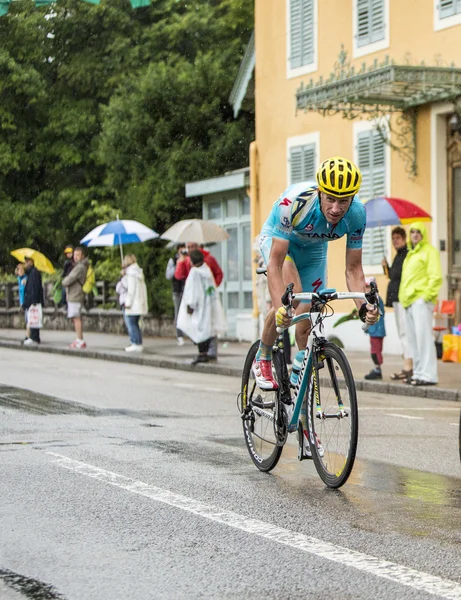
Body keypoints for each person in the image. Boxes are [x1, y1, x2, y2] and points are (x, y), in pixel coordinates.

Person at [253, 156, 379, 457]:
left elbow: (353, 270)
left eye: (344, 201)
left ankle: (304, 417)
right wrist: (279, 305)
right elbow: (275, 261)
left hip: (313, 250)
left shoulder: (357, 215)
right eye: (331, 199)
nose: (337, 208)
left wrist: (363, 306)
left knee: (309, 319)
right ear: (320, 192)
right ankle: (263, 355)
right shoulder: (293, 204)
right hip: (279, 243)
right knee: (292, 299)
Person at [399, 222, 443, 386]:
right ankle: (418, 373)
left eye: (418, 232)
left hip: (420, 301)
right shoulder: (411, 253)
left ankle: (429, 375)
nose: (415, 234)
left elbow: (435, 276)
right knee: (413, 340)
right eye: (412, 232)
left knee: (424, 338)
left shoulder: (429, 251)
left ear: (423, 234)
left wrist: (425, 296)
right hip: (408, 301)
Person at [175, 241, 224, 360]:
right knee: (208, 326)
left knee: (200, 327)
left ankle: (204, 352)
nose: (190, 249)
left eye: (192, 246)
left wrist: (190, 304)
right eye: (189, 246)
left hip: (199, 304)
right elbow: (179, 275)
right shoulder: (205, 269)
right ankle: (209, 352)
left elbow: (192, 290)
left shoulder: (195, 272)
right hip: (207, 302)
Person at [382, 227, 413, 381]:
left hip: (402, 298)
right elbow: (392, 276)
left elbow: (402, 276)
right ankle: (406, 365)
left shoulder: (406, 254)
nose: (395, 241)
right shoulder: (398, 255)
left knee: (405, 333)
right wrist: (385, 267)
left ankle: (408, 367)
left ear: (404, 238)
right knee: (402, 332)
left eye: (397, 238)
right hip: (396, 298)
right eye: (393, 238)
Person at [62, 246, 89, 350]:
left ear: (82, 256)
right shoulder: (79, 266)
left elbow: (69, 279)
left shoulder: (80, 267)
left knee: (76, 318)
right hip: (75, 293)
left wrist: (64, 281)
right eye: (74, 255)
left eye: (78, 255)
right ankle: (79, 339)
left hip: (75, 294)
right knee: (75, 317)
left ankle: (80, 340)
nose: (75, 257)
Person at [123, 254, 149, 353]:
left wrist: (128, 303)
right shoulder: (137, 272)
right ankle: (138, 342)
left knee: (131, 323)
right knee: (135, 323)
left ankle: (135, 342)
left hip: (134, 303)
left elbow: (131, 289)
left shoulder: (131, 274)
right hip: (140, 302)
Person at [364, 277, 386, 380]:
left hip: (377, 331)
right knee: (373, 350)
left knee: (375, 352)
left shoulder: (376, 300)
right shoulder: (371, 300)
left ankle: (378, 370)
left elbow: (377, 313)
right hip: (373, 331)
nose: (366, 290)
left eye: (368, 287)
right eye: (366, 287)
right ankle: (377, 369)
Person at [165, 244, 187, 346]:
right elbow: (168, 275)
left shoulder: (189, 258)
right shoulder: (173, 260)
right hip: (177, 290)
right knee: (178, 313)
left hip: (187, 289)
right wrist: (178, 265)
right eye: (181, 248)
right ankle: (180, 336)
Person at [22, 257, 44, 346]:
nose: (25, 264)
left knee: (34, 319)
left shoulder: (34, 273)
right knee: (32, 319)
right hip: (32, 299)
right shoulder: (31, 273)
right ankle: (33, 337)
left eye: (27, 262)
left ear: (31, 262)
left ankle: (34, 337)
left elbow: (34, 288)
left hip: (33, 300)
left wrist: (33, 301)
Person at [15, 263, 30, 342]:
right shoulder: (19, 279)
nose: (20, 271)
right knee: (26, 318)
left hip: (26, 301)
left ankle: (27, 336)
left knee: (28, 319)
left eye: (21, 269)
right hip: (22, 301)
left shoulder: (25, 278)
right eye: (18, 270)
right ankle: (28, 335)